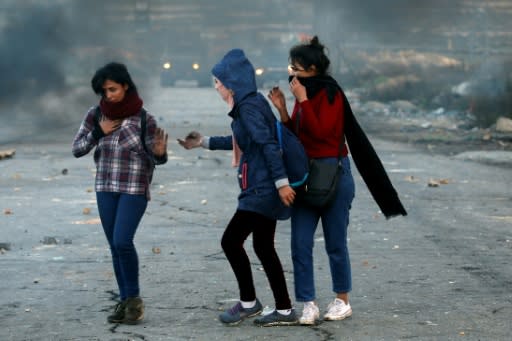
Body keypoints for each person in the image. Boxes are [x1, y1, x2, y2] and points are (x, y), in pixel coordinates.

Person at [267, 36, 407, 325]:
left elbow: (322, 134)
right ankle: (308, 303)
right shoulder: (301, 93)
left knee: (335, 242)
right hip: (305, 177)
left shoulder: (330, 94)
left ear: (313, 69)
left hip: (334, 175)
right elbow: (298, 136)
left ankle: (342, 300)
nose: (291, 73)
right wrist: (283, 109)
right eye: (290, 66)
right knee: (300, 242)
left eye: (297, 67)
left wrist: (303, 101)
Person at [177, 49, 299, 327]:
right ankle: (283, 309)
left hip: (262, 188)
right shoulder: (249, 104)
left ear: (231, 84)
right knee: (263, 246)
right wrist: (203, 142)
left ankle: (249, 303)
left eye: (218, 83)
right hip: (261, 185)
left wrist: (281, 184)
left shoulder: (248, 109)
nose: (216, 87)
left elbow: (268, 145)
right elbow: (243, 140)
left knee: (230, 242)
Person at [72, 62, 168, 324]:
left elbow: (155, 156)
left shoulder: (144, 119)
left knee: (123, 241)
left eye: (113, 89)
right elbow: (77, 148)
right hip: (105, 187)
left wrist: (160, 153)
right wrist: (97, 132)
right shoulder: (96, 115)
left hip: (134, 187)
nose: (109, 96)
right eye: (104, 92)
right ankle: (124, 301)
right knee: (114, 246)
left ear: (126, 85)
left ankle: (134, 300)